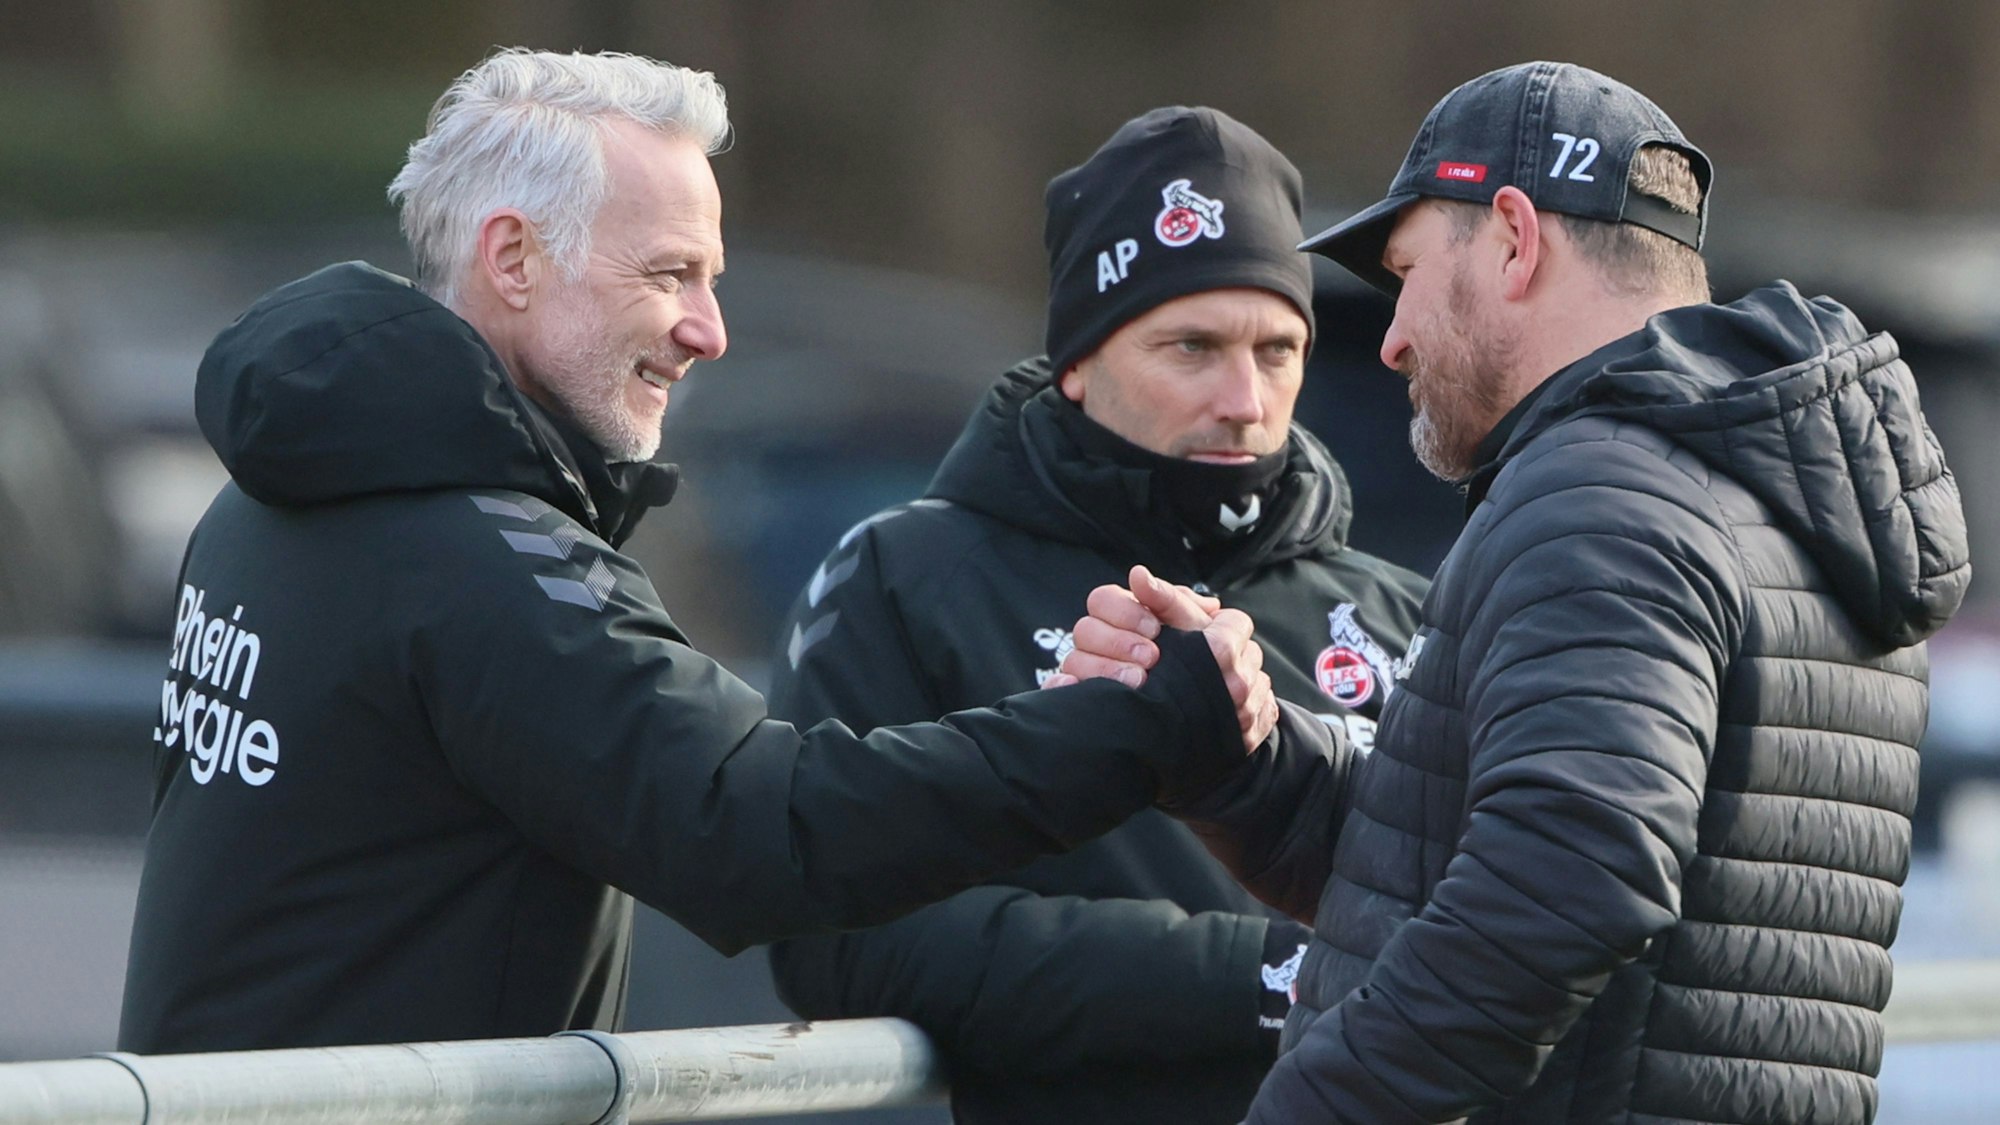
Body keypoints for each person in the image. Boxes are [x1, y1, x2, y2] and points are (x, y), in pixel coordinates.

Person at [115, 49, 1282, 1056]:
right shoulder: (476, 556)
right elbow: (760, 829)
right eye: (670, 273)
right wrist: (1119, 726)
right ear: (511, 259)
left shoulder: (277, 495)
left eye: (712, 280)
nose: (709, 330)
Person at [1060, 62, 1969, 1124]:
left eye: (1404, 272)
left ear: (1511, 235)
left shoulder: (1603, 494)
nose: (1392, 335)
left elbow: (1564, 888)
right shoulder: (1775, 492)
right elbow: (1502, 858)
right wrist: (1239, 760)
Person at [763, 107, 1429, 1125]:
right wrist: (1270, 978)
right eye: (1191, 346)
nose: (1244, 398)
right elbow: (839, 937)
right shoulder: (907, 579)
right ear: (1076, 360)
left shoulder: (1396, 609)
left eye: (1277, 349)